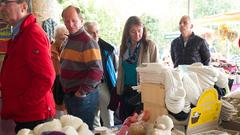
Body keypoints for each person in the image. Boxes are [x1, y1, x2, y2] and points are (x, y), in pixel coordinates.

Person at [0, 0, 55, 133]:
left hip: (34, 116)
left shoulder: (31, 33)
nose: (1, 7)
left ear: (23, 7)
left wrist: (22, 104)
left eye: (6, 2)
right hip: (27, 114)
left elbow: (46, 77)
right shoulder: (20, 33)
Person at [60, 5, 103, 130]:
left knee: (83, 131)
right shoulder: (68, 40)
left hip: (83, 97)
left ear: (81, 20)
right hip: (71, 95)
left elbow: (97, 71)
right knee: (74, 131)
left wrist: (81, 92)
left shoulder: (87, 41)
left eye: (74, 20)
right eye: (67, 21)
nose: (70, 24)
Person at [116, 16, 158, 121]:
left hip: (142, 92)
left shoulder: (149, 46)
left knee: (139, 124)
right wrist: (118, 90)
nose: (137, 35)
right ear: (127, 32)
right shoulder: (124, 47)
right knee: (125, 123)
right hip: (126, 91)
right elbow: (121, 71)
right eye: (133, 32)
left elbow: (157, 70)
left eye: (140, 31)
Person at [84, 21, 117, 128]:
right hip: (89, 87)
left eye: (97, 32)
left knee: (108, 118)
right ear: (85, 33)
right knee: (93, 119)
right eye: (92, 32)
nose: (95, 35)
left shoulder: (107, 48)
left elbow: (114, 68)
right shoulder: (82, 48)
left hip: (104, 85)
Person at [51, 25, 68, 118]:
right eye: (62, 39)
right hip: (55, 94)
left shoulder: (70, 51)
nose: (65, 41)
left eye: (66, 38)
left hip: (68, 95)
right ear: (55, 38)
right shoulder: (48, 52)